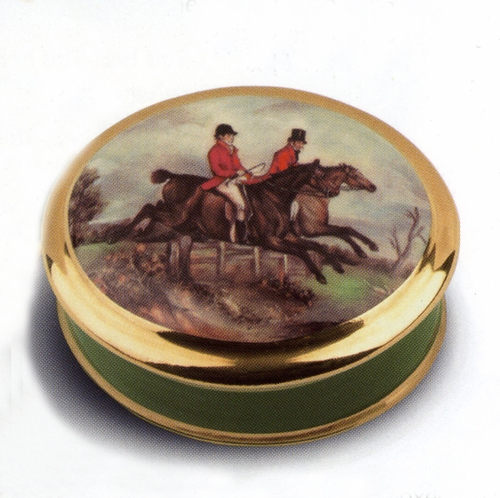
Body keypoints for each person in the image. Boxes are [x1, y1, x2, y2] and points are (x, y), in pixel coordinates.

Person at [201, 124, 249, 243]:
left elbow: (238, 166)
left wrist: (246, 173)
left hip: (234, 180)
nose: (232, 137)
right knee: (241, 205)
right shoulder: (214, 151)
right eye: (229, 135)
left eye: (232, 135)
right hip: (222, 182)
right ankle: (240, 238)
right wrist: (233, 173)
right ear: (221, 136)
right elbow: (217, 170)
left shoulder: (233, 150)